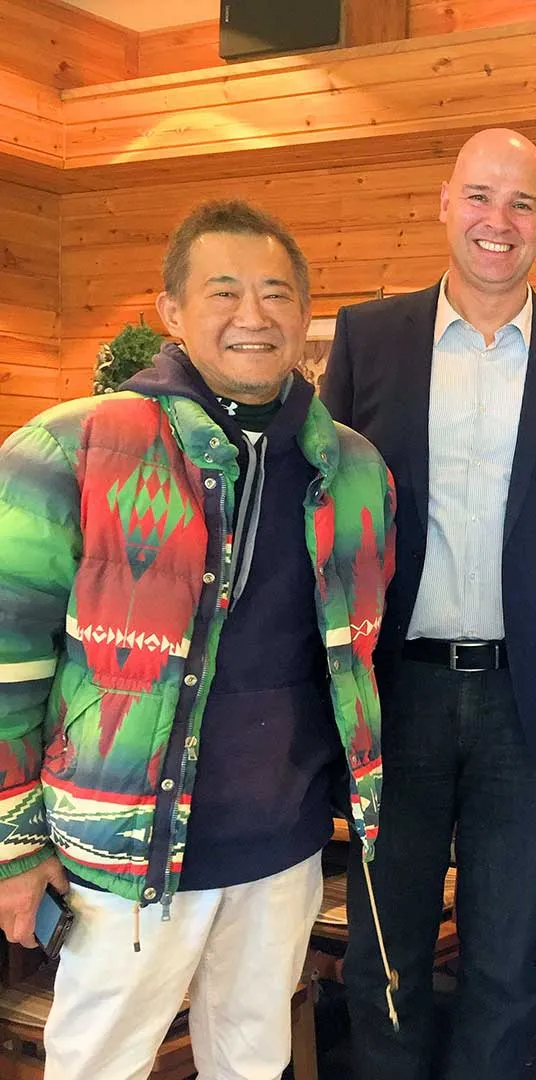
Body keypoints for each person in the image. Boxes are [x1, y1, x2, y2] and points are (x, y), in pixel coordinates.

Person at [0, 199, 394, 1079]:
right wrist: (13, 849)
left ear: (304, 315)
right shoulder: (71, 448)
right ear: (172, 313)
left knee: (253, 1061)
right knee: (97, 1063)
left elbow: (351, 656)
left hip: (282, 844)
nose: (253, 316)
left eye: (276, 294)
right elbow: (5, 667)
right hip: (124, 846)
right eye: (224, 292)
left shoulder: (359, 470)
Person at [320, 128, 536, 1080]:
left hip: (521, 702)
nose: (501, 222)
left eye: (524, 204)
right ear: (446, 202)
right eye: (483, 198)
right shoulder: (368, 339)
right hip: (395, 695)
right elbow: (328, 517)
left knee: (503, 957)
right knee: (386, 949)